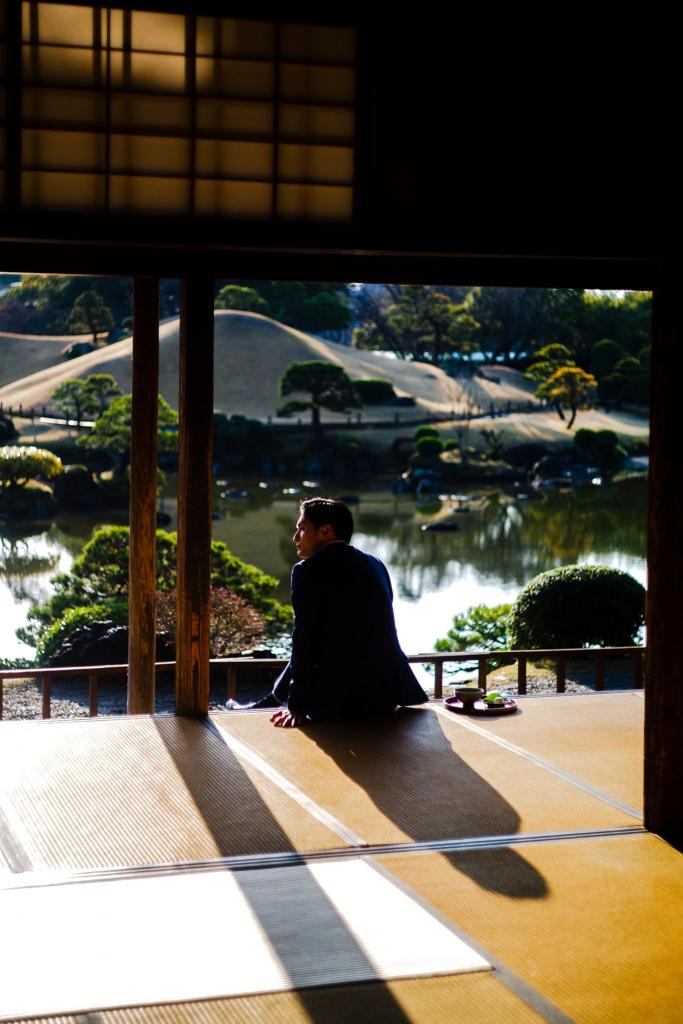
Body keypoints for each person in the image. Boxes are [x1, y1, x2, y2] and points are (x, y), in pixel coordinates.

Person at [233, 496, 428, 727]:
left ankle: (270, 701)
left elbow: (305, 639)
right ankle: (271, 699)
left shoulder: (308, 570)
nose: (295, 538)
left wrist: (297, 706)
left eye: (302, 529)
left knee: (309, 641)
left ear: (326, 531)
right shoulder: (375, 563)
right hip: (388, 693)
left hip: (338, 701)